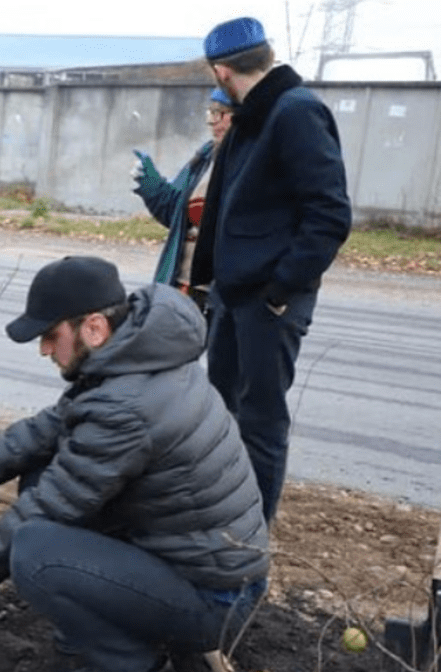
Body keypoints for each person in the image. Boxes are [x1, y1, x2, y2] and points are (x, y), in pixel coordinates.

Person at [0, 256, 269, 672]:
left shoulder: (127, 405)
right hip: (201, 566)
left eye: (49, 335)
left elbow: (54, 504)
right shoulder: (137, 355)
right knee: (40, 476)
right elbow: (50, 428)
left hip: (214, 602)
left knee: (34, 552)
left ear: (93, 328)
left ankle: (135, 661)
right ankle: (103, 629)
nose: (43, 349)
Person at [192, 17, 352, 523]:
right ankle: (222, 511)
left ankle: (251, 531)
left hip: (267, 300)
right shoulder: (253, 115)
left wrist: (281, 289)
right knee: (221, 412)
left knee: (260, 421)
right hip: (233, 295)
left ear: (221, 70)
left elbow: (329, 215)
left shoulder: (295, 112)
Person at [131, 87, 235, 305]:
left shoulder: (254, 165)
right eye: (210, 113)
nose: (212, 122)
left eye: (221, 113)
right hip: (184, 284)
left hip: (223, 293)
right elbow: (174, 214)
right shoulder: (205, 157)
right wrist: (152, 185)